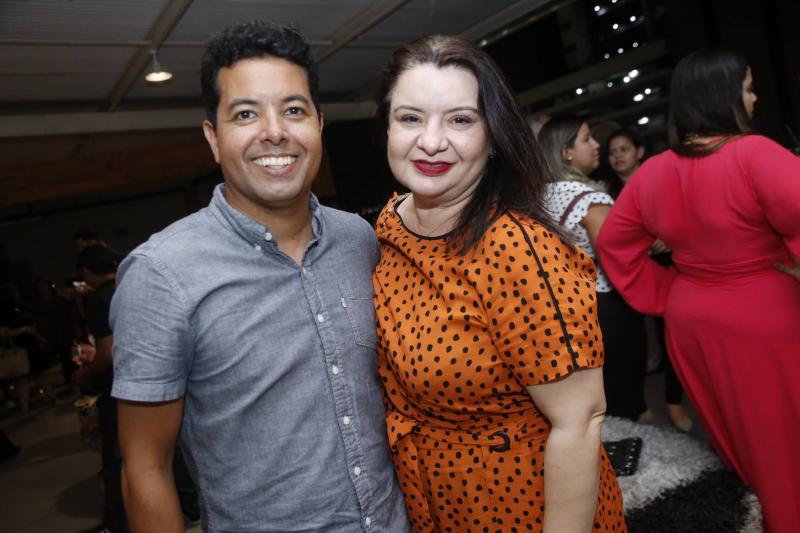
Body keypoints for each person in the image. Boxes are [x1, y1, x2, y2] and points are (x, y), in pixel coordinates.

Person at [109, 20, 409, 533]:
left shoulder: (360, 239)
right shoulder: (161, 274)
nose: (274, 131)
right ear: (213, 137)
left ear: (319, 125)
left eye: (293, 110)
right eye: (245, 113)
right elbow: (145, 469)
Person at [373, 35, 626, 532]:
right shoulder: (390, 225)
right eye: (411, 118)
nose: (431, 141)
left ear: (493, 138)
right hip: (434, 499)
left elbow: (578, 421)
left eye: (460, 120)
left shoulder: (516, 248)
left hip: (523, 504)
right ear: (387, 127)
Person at [595, 48, 800, 532]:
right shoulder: (754, 153)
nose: (754, 98)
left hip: (692, 319)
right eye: (747, 88)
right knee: (783, 435)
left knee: (739, 434)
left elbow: (614, 243)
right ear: (721, 94)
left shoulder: (654, 172)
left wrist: (669, 291)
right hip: (762, 315)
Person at [538, 116, 649, 423]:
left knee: (594, 400)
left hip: (565, 307)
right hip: (606, 304)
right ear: (566, 152)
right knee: (622, 392)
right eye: (587, 139)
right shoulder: (589, 199)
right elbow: (618, 262)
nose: (597, 145)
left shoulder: (539, 198)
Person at [604, 128, 693, 433]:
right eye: (612, 152)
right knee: (635, 341)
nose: (618, 156)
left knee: (674, 336)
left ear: (639, 151)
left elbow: (684, 215)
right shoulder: (607, 194)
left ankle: (674, 401)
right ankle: (643, 403)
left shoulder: (659, 181)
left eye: (624, 149)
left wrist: (670, 238)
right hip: (632, 272)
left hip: (672, 266)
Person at [72, 244, 126, 533]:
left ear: (86, 271)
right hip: (153, 375)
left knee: (115, 457)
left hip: (118, 386)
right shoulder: (129, 286)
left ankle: (118, 523)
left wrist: (86, 373)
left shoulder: (99, 300)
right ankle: (189, 503)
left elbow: (107, 353)